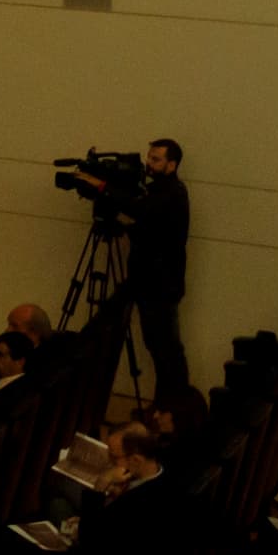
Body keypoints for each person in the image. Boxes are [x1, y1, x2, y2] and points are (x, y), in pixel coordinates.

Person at [74, 138, 191, 395]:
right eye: (149, 157)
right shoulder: (157, 190)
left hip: (159, 284)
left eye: (156, 159)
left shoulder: (173, 193)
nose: (149, 163)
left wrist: (103, 186)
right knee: (158, 345)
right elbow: (147, 227)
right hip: (146, 279)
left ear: (172, 164)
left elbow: (142, 210)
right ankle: (167, 405)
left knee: (165, 348)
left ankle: (172, 407)